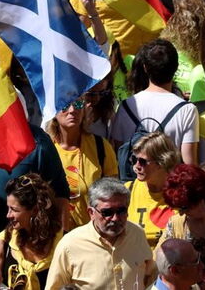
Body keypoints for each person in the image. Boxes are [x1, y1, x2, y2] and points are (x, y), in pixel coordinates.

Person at [45, 178, 155, 289]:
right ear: (91, 213)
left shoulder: (137, 234)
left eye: (121, 211)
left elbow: (151, 276)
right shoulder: (70, 245)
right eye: (107, 212)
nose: (115, 218)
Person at [110, 39, 200, 165]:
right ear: (176, 67)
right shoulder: (187, 110)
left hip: (133, 177)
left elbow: (119, 154)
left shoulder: (125, 106)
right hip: (170, 178)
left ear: (145, 68)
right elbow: (189, 163)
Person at [46, 96, 118, 230]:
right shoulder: (45, 149)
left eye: (78, 104)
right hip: (56, 233)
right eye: (65, 105)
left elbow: (113, 195)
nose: (72, 110)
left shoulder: (101, 146)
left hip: (93, 233)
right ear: (54, 112)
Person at [0, 173, 62, 290]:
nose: (8, 215)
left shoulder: (63, 243)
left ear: (35, 210)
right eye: (8, 208)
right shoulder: (3, 243)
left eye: (14, 209)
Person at [126, 132, 181, 248]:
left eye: (143, 161)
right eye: (134, 159)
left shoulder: (181, 194)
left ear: (162, 162)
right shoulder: (127, 191)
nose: (136, 166)